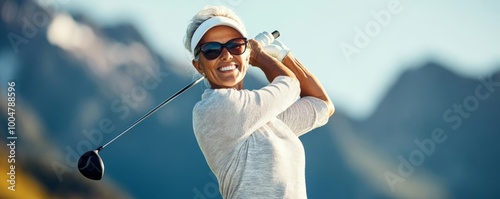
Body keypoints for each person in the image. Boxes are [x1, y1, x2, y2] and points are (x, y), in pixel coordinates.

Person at [185, 5, 334, 199]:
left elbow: (322, 105)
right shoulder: (216, 106)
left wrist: (283, 55)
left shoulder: (263, 118)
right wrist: (259, 55)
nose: (226, 55)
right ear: (199, 66)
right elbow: (289, 86)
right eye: (211, 50)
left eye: (235, 45)